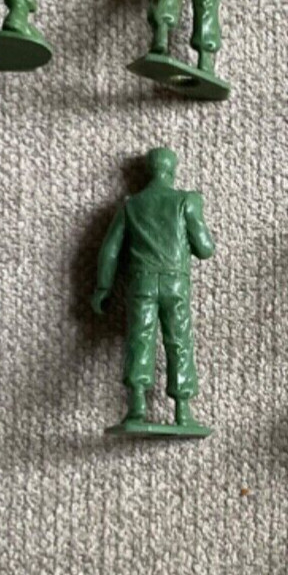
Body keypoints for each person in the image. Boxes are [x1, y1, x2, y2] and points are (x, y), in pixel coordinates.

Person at [92, 148, 215, 429]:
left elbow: (110, 250)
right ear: (172, 169)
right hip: (175, 283)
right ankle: (183, 410)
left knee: (140, 338)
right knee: (179, 341)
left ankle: (136, 406)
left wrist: (103, 287)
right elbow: (205, 249)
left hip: (142, 283)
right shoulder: (186, 201)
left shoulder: (131, 205)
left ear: (149, 170)